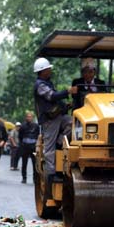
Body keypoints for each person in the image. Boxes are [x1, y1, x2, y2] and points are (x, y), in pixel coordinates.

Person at [33, 58, 77, 196]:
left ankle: (60, 143)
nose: (50, 70)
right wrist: (68, 91)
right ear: (42, 71)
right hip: (49, 121)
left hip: (58, 117)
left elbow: (56, 101)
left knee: (73, 123)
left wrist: (66, 105)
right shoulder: (40, 85)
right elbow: (52, 97)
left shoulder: (47, 83)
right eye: (48, 69)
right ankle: (50, 181)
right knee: (50, 152)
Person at [19, 112, 39, 184]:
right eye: (28, 117)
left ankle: (35, 178)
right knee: (24, 163)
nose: (29, 118)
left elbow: (38, 135)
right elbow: (20, 136)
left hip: (33, 146)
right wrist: (22, 144)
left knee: (35, 163)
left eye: (30, 117)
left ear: (32, 118)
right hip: (25, 146)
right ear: (26, 118)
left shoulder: (36, 126)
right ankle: (24, 178)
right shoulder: (23, 126)